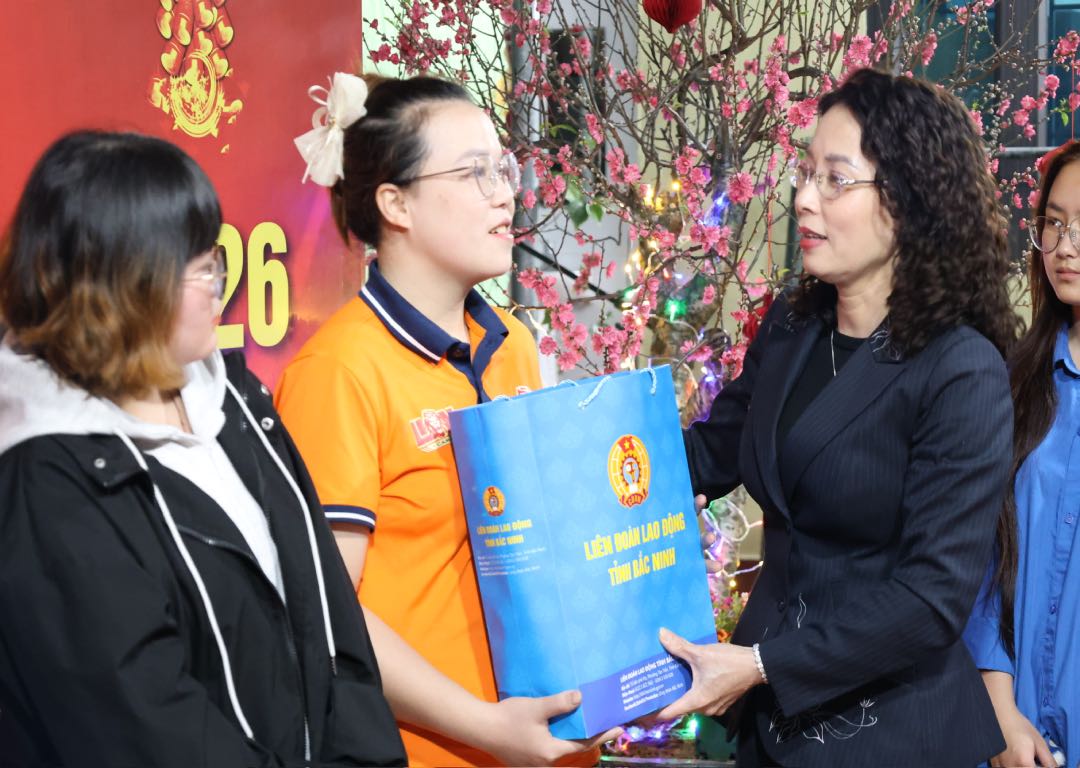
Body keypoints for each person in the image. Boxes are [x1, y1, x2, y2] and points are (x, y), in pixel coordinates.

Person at [0, 130, 613, 767]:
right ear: (116, 283)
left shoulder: (232, 399)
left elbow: (325, 615)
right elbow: (142, 719)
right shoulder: (48, 477)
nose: (222, 284)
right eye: (201, 267)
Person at [666, 68, 1019, 766]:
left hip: (889, 734)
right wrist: (574, 463)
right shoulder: (793, 329)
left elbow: (931, 598)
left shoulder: (960, 370)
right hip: (770, 728)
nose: (802, 199)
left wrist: (762, 664)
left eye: (834, 179)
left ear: (908, 201)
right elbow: (711, 454)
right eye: (803, 174)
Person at [275, 71, 597, 768]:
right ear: (397, 203)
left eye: (502, 168)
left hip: (548, 739)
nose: (504, 193)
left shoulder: (511, 343)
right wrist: (488, 728)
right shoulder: (340, 374)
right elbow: (333, 613)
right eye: (474, 172)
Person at [963, 139, 1080, 768]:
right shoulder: (1011, 381)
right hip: (1012, 727)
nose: (1065, 245)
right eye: (1055, 223)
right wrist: (1000, 712)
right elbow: (982, 555)